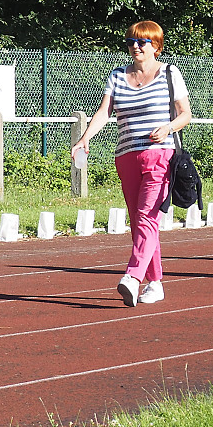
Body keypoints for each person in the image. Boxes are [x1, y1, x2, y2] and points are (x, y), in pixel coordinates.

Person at [71, 21, 192, 306]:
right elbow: (104, 112)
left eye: (142, 42)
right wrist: (85, 137)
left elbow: (185, 114)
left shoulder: (170, 73)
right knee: (140, 222)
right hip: (126, 156)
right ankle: (156, 283)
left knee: (148, 217)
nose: (135, 47)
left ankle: (133, 277)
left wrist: (168, 127)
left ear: (156, 46)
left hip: (159, 155)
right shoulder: (116, 76)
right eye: (131, 42)